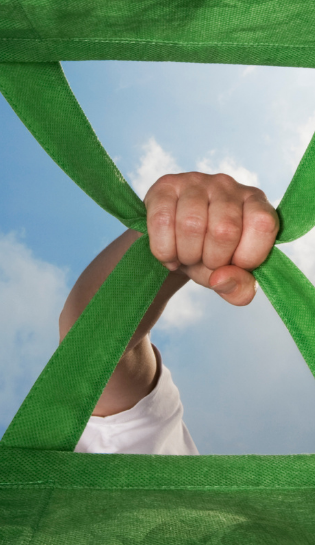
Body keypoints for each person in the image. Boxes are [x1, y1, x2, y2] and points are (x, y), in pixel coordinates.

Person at [62, 172, 280, 455]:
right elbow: (90, 353)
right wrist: (172, 243)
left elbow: (86, 356)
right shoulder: (167, 474)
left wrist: (169, 245)